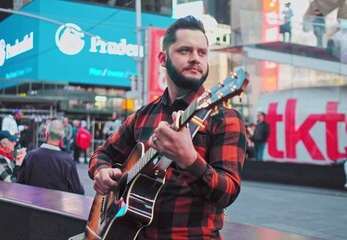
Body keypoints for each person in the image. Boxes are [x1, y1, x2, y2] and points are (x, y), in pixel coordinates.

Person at [88, 16, 247, 239]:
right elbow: (102, 153)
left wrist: (189, 160)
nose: (195, 58)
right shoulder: (143, 116)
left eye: (202, 53)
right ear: (163, 58)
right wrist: (101, 171)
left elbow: (228, 192)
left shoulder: (223, 118)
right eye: (185, 51)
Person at [17, 120, 84, 194]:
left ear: (46, 134)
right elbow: (79, 191)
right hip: (56, 204)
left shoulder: (30, 156)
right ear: (62, 137)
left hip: (31, 203)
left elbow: (19, 183)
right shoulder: (68, 161)